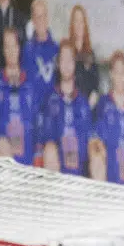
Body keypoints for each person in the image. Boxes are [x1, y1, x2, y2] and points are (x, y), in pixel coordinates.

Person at [0, 26, 42, 164]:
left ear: (19, 48)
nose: (11, 51)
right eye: (7, 46)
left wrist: (38, 158)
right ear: (3, 51)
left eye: (14, 46)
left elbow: (37, 122)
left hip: (27, 160)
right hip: (3, 161)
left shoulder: (31, 82)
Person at [38, 39, 92, 176]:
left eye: (70, 60)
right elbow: (47, 137)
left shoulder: (83, 103)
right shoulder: (50, 99)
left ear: (75, 63)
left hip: (79, 171)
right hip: (57, 170)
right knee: (49, 149)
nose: (67, 65)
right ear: (58, 64)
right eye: (63, 60)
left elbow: (87, 142)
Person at [93, 50, 124, 185]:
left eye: (123, 72)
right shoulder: (103, 104)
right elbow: (97, 138)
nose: (119, 77)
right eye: (116, 72)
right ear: (111, 74)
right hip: (110, 164)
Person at [22, 0, 59, 98]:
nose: (40, 21)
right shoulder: (26, 50)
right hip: (32, 109)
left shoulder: (57, 49)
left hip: (52, 109)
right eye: (37, 17)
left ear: (47, 18)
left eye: (43, 16)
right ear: (32, 20)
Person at [68, 4, 100, 108]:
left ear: (85, 24)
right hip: (70, 106)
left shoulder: (90, 53)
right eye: (76, 20)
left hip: (88, 108)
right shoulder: (67, 51)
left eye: (81, 21)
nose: (78, 25)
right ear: (72, 24)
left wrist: (89, 105)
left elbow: (95, 85)